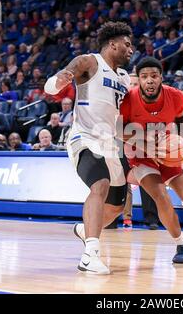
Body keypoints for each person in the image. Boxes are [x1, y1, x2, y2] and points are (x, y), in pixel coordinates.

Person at [44, 22, 133, 275]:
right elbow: (68, 72)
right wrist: (60, 79)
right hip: (85, 137)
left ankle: (85, 230)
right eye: (127, 44)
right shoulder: (90, 62)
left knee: (116, 206)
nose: (130, 49)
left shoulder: (124, 77)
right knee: (100, 185)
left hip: (111, 145)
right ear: (112, 44)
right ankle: (90, 254)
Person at [120, 57, 183, 264]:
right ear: (139, 79)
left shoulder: (176, 96)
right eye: (144, 77)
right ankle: (182, 244)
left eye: (154, 76)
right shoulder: (128, 100)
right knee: (161, 197)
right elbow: (118, 131)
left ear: (161, 77)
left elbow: (181, 119)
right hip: (141, 155)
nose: (149, 81)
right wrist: (148, 146)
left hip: (168, 150)